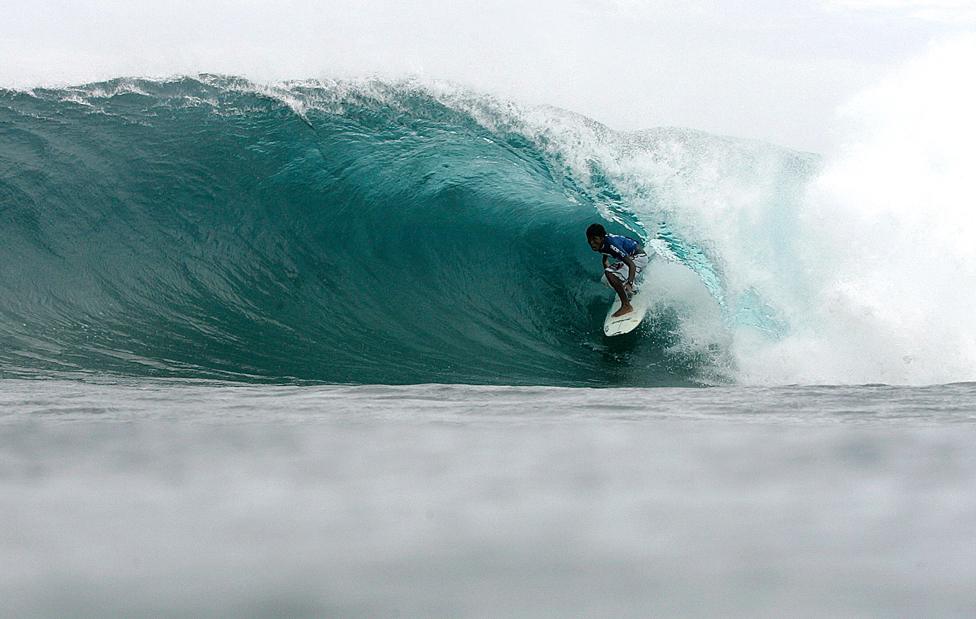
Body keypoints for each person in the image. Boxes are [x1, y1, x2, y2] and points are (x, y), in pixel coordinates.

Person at [586, 223, 648, 317]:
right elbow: (606, 254)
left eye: (594, 239)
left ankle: (627, 306)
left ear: (602, 238)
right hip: (630, 258)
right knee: (605, 279)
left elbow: (631, 265)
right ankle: (633, 291)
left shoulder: (611, 245)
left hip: (638, 258)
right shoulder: (602, 243)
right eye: (589, 240)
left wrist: (629, 282)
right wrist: (607, 267)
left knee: (609, 274)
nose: (592, 243)